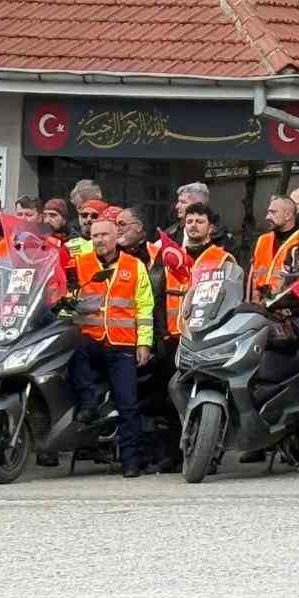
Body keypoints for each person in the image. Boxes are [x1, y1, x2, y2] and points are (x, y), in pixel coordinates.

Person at [148, 202, 234, 472]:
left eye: (199, 220)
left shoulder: (223, 259)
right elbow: (158, 298)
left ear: (211, 227)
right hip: (173, 338)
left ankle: (209, 450)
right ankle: (172, 454)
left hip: (207, 338)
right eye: (189, 221)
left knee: (209, 391)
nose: (193, 225)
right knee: (166, 400)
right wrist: (161, 334)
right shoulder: (171, 256)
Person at [71, 217, 154, 478]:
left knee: (128, 403)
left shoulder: (135, 265)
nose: (99, 240)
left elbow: (144, 307)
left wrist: (144, 342)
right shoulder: (79, 264)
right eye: (95, 236)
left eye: (104, 235)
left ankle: (131, 460)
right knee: (74, 350)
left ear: (116, 235)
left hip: (122, 344)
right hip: (91, 338)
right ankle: (89, 405)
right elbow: (66, 293)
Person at [248, 194, 299, 301]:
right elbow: (252, 276)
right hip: (260, 304)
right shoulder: (262, 240)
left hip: (288, 304)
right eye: (268, 212)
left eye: (273, 212)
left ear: (288, 215)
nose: (267, 217)